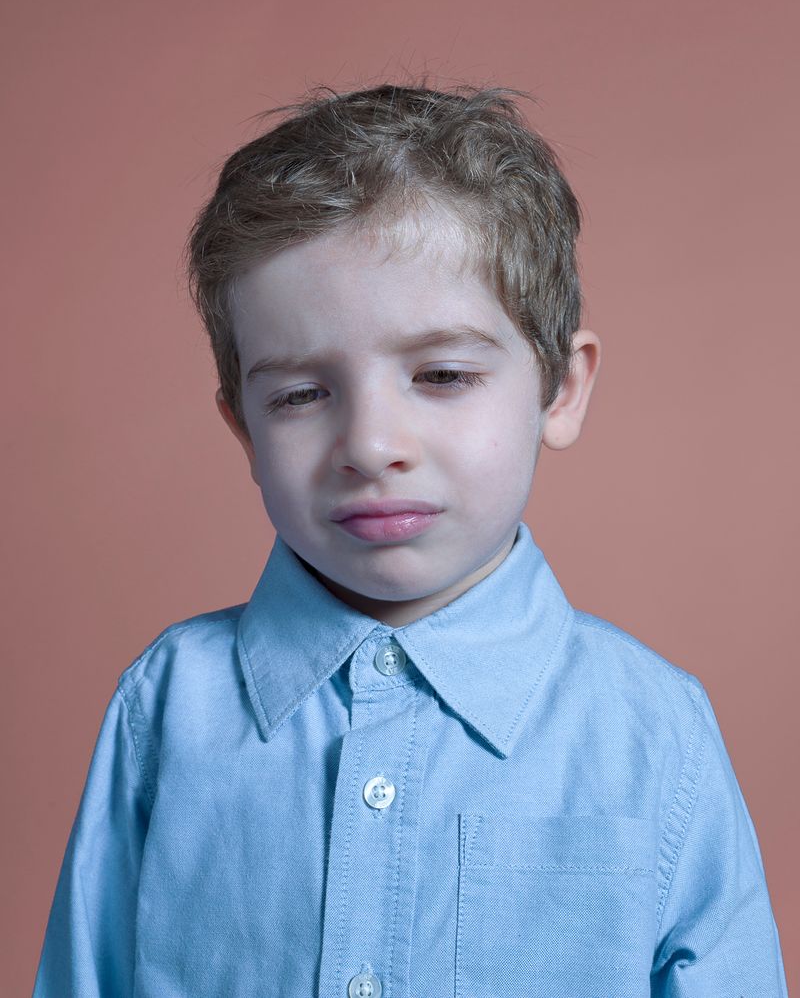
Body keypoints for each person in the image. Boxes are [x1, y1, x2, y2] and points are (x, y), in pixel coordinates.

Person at [32, 83, 788, 997]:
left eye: (442, 375)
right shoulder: (165, 709)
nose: (371, 444)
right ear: (244, 429)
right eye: (300, 395)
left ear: (560, 388)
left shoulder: (654, 730)